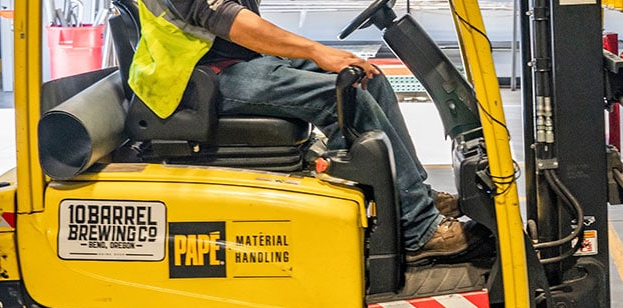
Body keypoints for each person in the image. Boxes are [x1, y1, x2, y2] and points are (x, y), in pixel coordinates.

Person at [128, 0, 467, 262]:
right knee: (344, 99)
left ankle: (413, 197)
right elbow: (228, 19)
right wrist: (316, 50)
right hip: (195, 81)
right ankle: (418, 231)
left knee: (368, 78)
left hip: (238, 63)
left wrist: (325, 54)